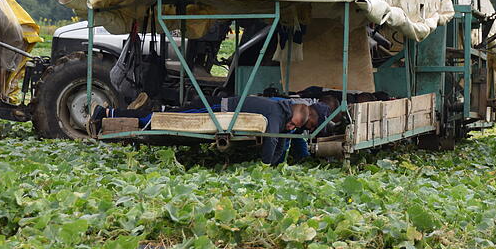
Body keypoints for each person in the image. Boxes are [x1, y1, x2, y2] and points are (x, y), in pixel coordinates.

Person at [88, 95, 321, 165]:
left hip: (219, 109)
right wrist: (269, 165)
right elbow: (272, 142)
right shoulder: (276, 114)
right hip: (216, 108)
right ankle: (107, 114)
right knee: (162, 119)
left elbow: (282, 140)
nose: (291, 129)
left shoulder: (284, 112)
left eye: (294, 128)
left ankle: (111, 114)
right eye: (292, 125)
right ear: (292, 115)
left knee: (167, 114)